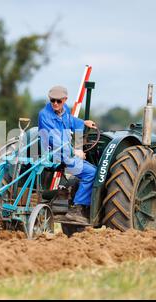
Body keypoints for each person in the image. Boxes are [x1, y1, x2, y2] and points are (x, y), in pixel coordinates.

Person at [38, 85, 97, 224]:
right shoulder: (44, 115)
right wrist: (74, 151)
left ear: (65, 100)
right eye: (52, 101)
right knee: (91, 172)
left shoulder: (65, 112)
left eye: (59, 101)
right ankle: (77, 209)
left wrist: (84, 123)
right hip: (53, 154)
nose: (55, 104)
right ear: (49, 99)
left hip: (64, 153)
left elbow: (71, 121)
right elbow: (53, 138)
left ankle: (65, 196)